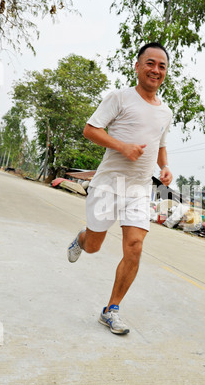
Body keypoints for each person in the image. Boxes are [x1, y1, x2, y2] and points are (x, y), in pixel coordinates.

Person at [67, 42, 173, 335]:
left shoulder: (166, 112)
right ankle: (81, 238)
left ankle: (111, 309)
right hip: (109, 185)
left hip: (139, 189)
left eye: (162, 66)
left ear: (166, 73)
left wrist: (164, 167)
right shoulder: (119, 98)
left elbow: (161, 145)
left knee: (135, 246)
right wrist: (122, 146)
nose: (156, 70)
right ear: (138, 66)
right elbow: (91, 129)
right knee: (94, 246)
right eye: (150, 63)